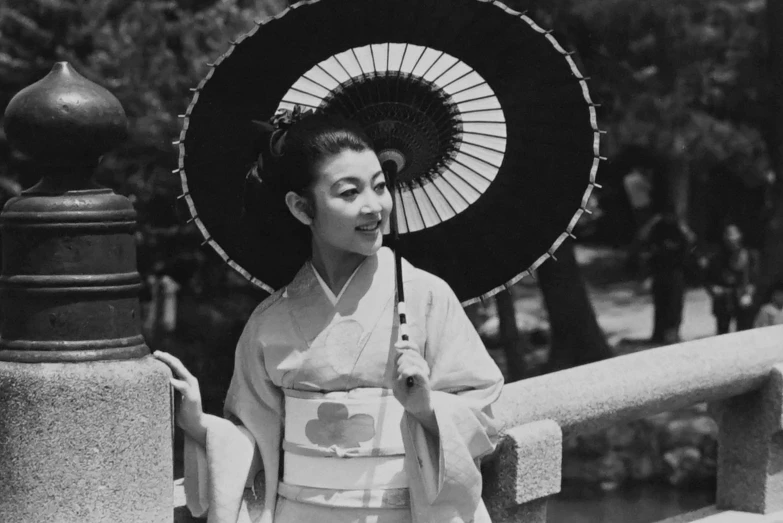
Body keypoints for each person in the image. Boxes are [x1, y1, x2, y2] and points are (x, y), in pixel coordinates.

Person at [154, 113, 504, 523]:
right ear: (302, 208)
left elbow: (482, 410)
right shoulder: (271, 320)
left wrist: (428, 410)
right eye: (349, 192)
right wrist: (201, 425)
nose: (374, 206)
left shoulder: (427, 297)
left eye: (380, 186)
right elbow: (255, 440)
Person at [636, 209, 696, 344]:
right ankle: (658, 336)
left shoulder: (679, 230)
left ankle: (673, 336)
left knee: (675, 307)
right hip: (659, 273)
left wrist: (681, 224)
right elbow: (642, 236)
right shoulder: (658, 229)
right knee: (660, 307)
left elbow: (692, 239)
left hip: (676, 273)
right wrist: (653, 221)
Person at [704, 224, 759, 334]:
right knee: (722, 335)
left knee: (745, 333)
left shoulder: (749, 255)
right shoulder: (716, 257)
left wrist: (749, 294)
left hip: (743, 297)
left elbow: (754, 279)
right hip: (724, 299)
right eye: (728, 235)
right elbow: (707, 279)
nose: (731, 239)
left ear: (740, 236)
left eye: (734, 235)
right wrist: (713, 289)